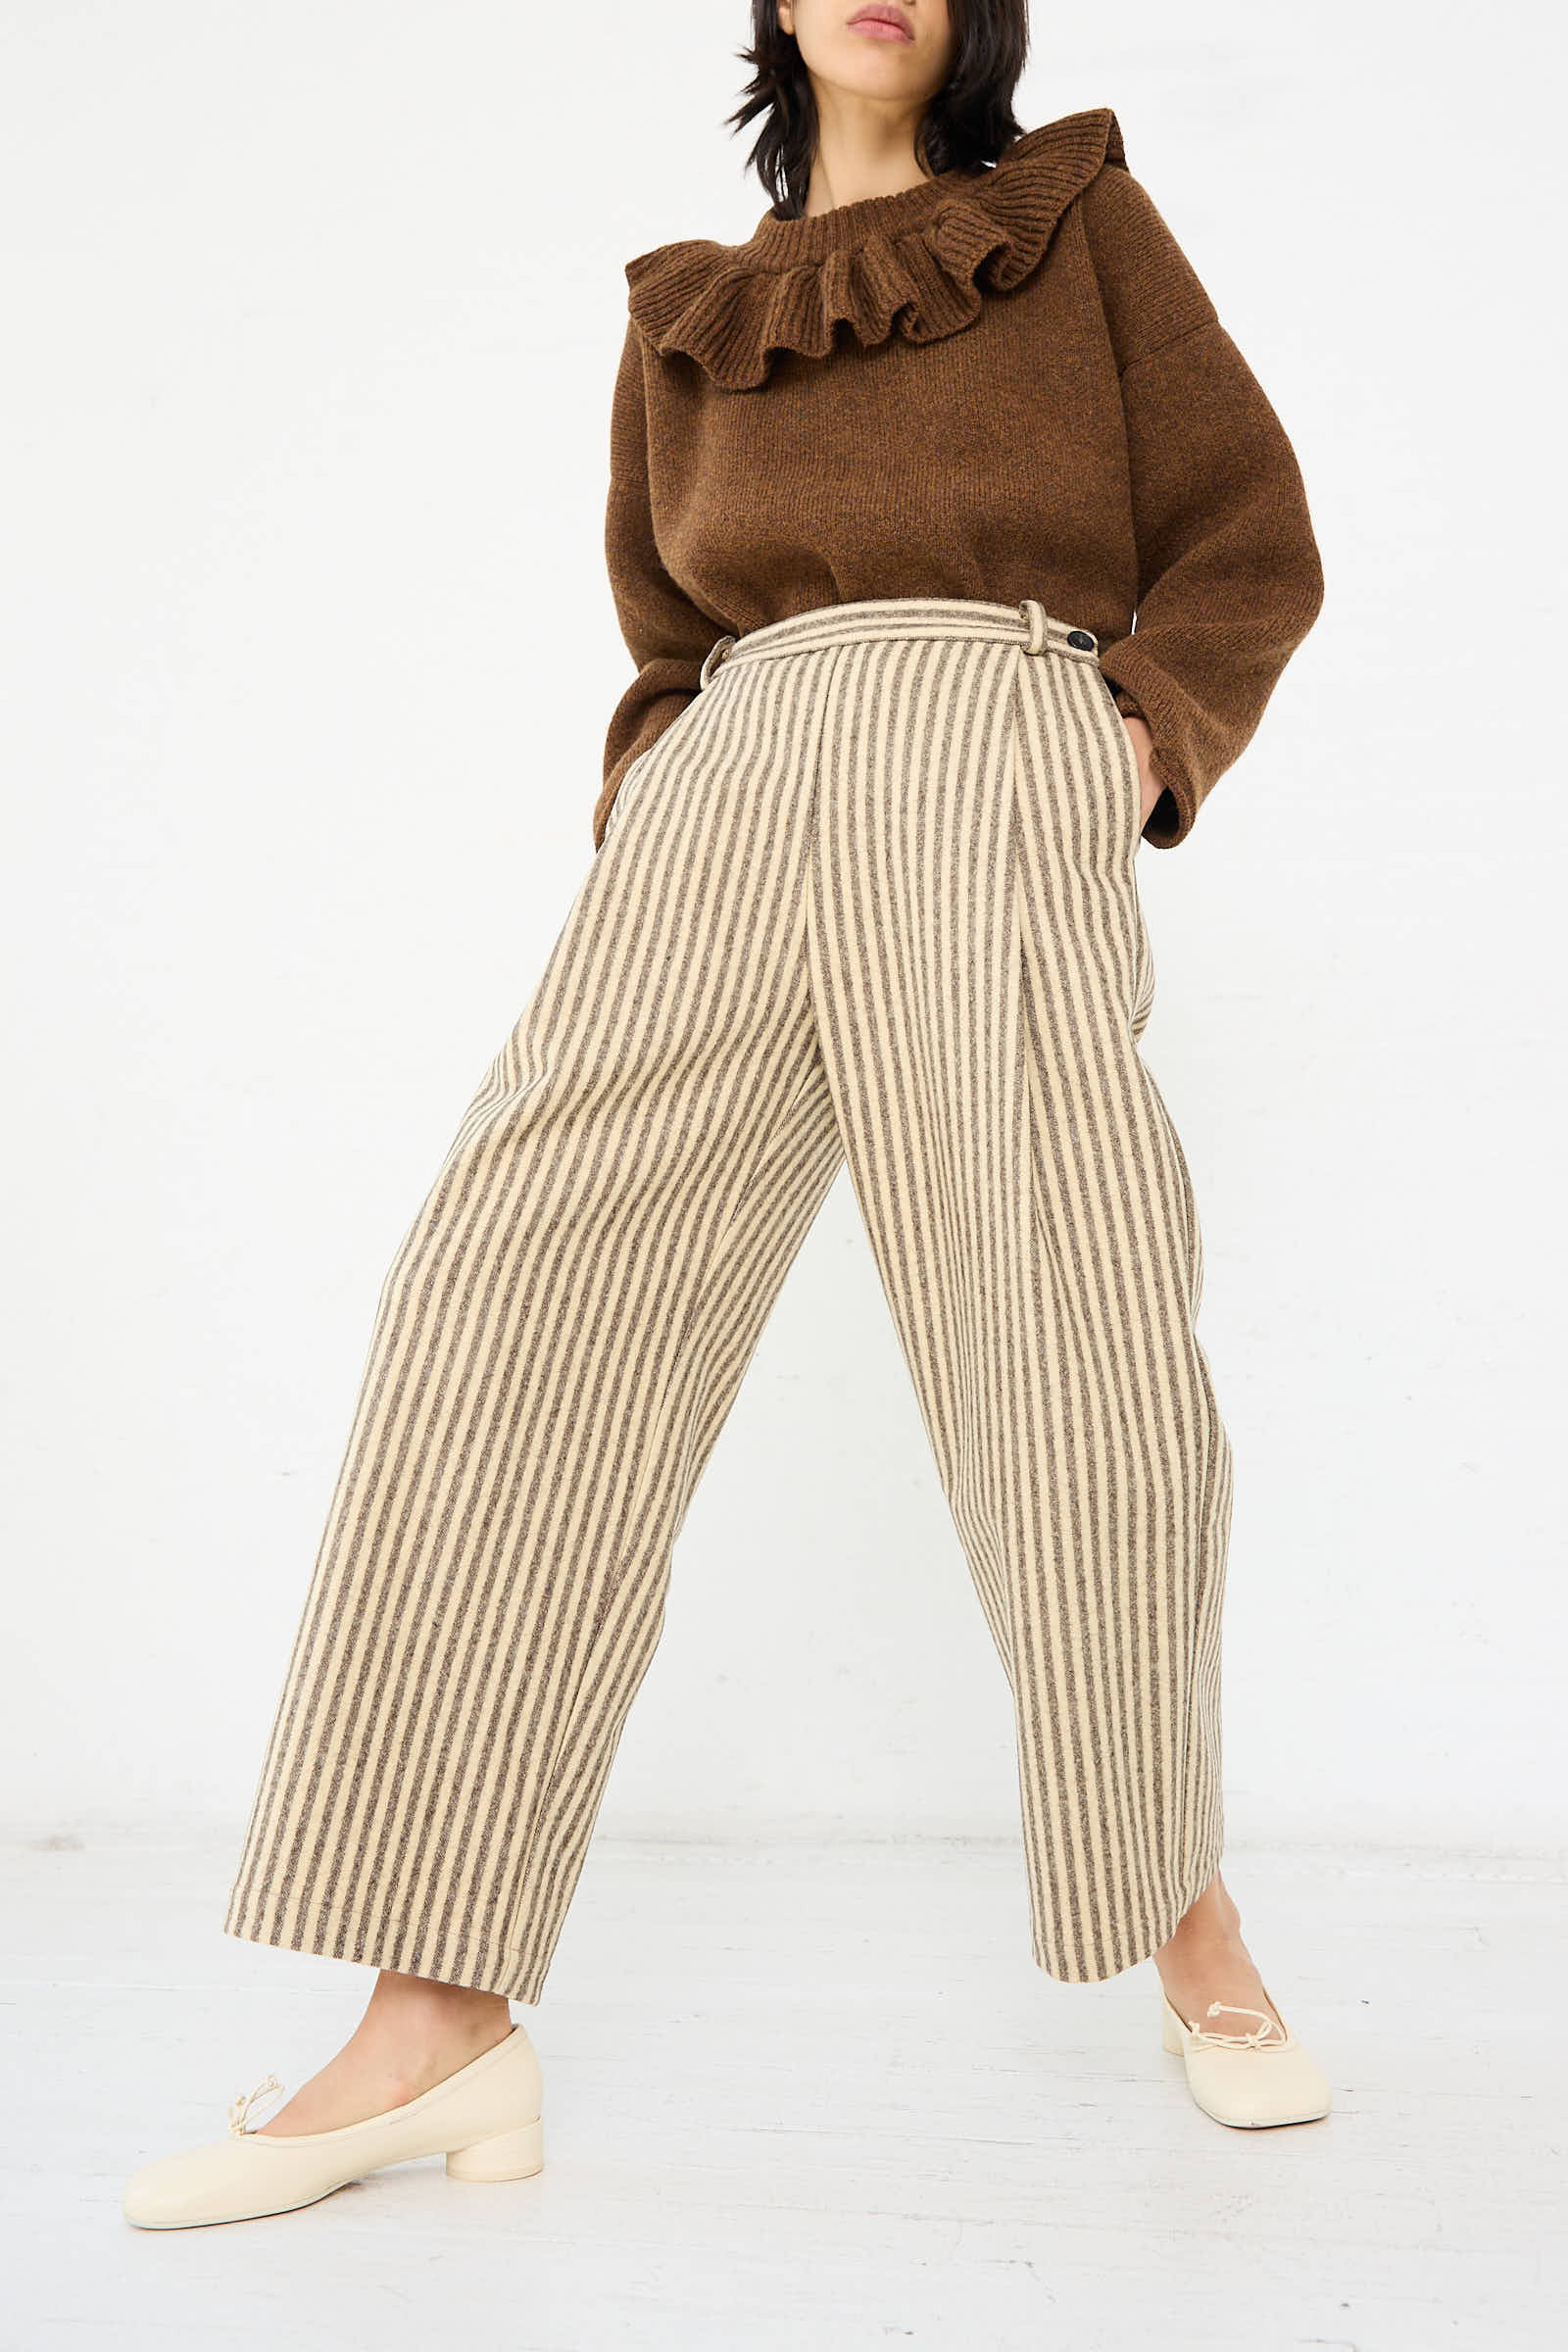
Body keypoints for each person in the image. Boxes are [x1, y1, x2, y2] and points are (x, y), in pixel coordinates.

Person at [123, 1, 1332, 2230]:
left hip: (987, 743)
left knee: (1059, 1341)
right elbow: (659, 628)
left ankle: (1187, 1915)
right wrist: (656, 794)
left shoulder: (1075, 229)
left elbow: (1247, 538)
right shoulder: (685, 315)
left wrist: (1125, 742)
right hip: (726, 787)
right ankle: (436, 2015)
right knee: (505, 1314)